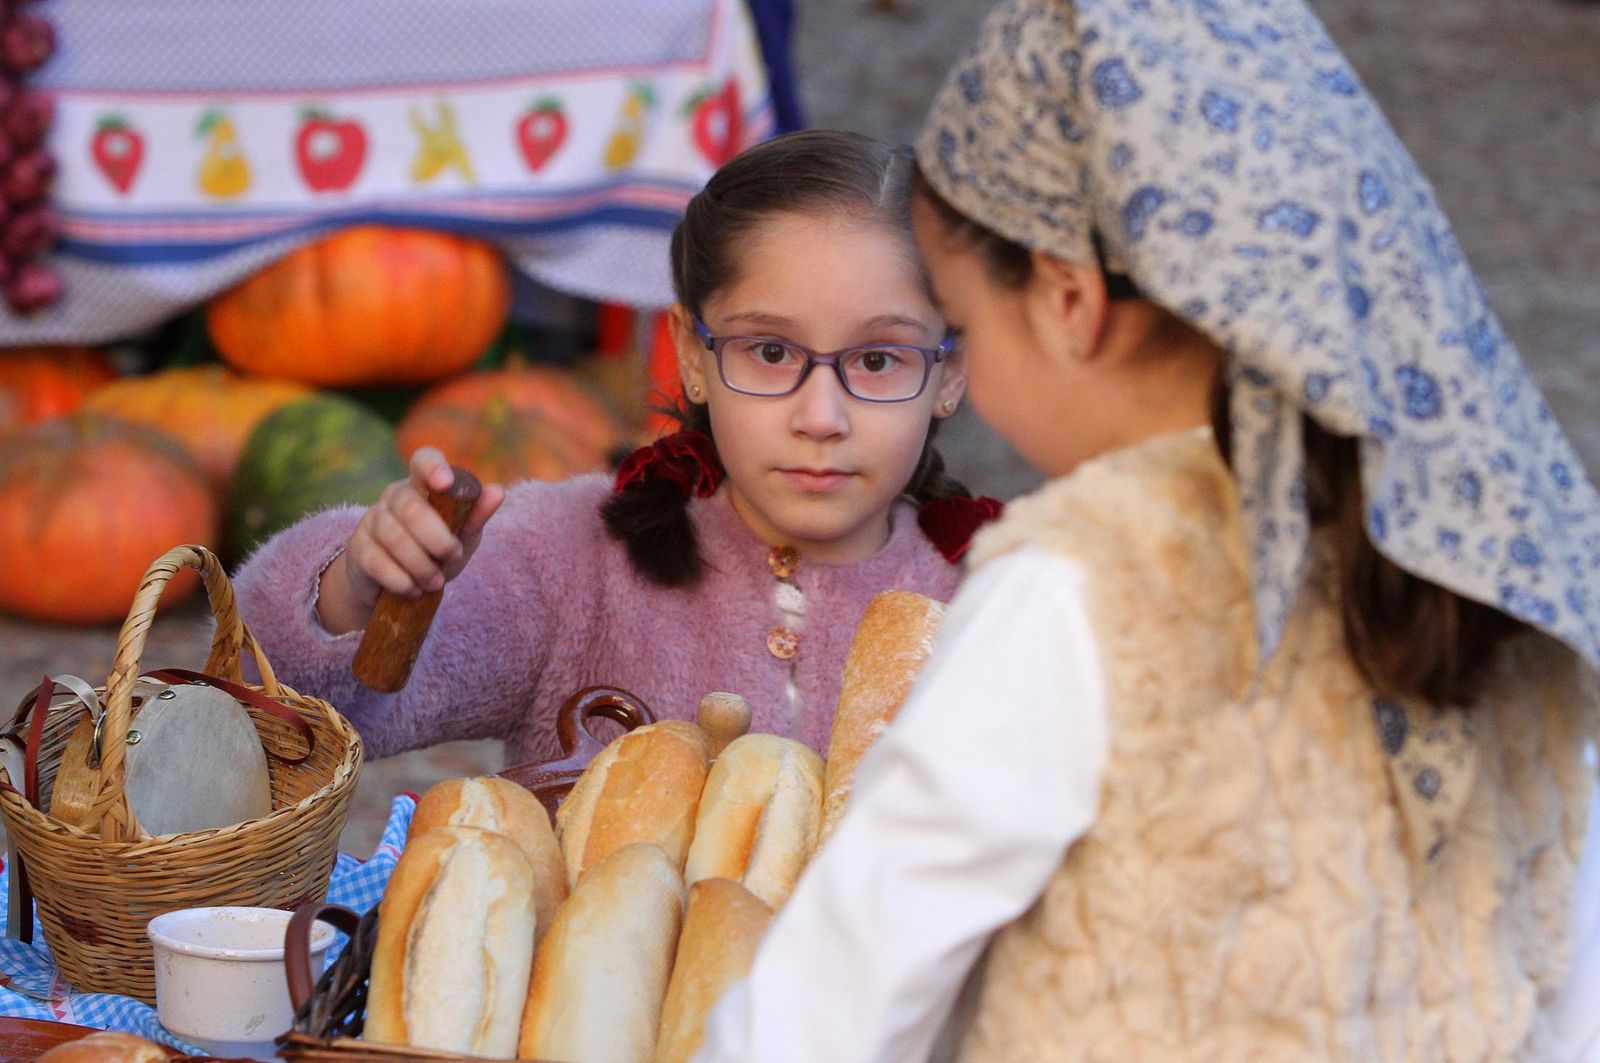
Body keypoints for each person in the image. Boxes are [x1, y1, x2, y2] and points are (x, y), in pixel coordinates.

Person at [697, 0, 1600, 1059]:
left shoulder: (1082, 589)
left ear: (1069, 300)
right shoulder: (1498, 544)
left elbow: (828, 1009)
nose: (971, 378)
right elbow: (1560, 977)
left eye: (965, 322)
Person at [230, 129, 991, 764]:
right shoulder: (570, 560)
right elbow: (282, 724)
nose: (821, 416)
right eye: (768, 351)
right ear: (692, 356)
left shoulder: (1004, 605)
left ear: (950, 372)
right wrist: (358, 589)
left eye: (878, 359)